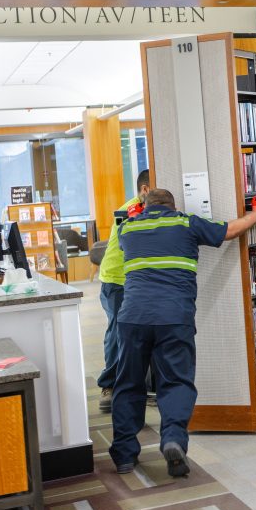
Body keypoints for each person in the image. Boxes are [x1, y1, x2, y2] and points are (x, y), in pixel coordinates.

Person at [109, 188, 256, 476]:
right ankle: (173, 438)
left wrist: (136, 215)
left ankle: (124, 454)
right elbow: (231, 230)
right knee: (175, 381)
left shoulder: (128, 229)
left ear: (145, 207)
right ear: (173, 206)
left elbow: (128, 232)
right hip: (174, 316)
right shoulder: (186, 223)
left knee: (128, 383)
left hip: (132, 318)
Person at [96, 169, 149, 413]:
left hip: (136, 280)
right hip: (116, 280)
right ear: (145, 190)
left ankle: (137, 384)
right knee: (118, 330)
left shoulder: (153, 208)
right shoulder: (128, 211)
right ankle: (109, 385)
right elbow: (132, 244)